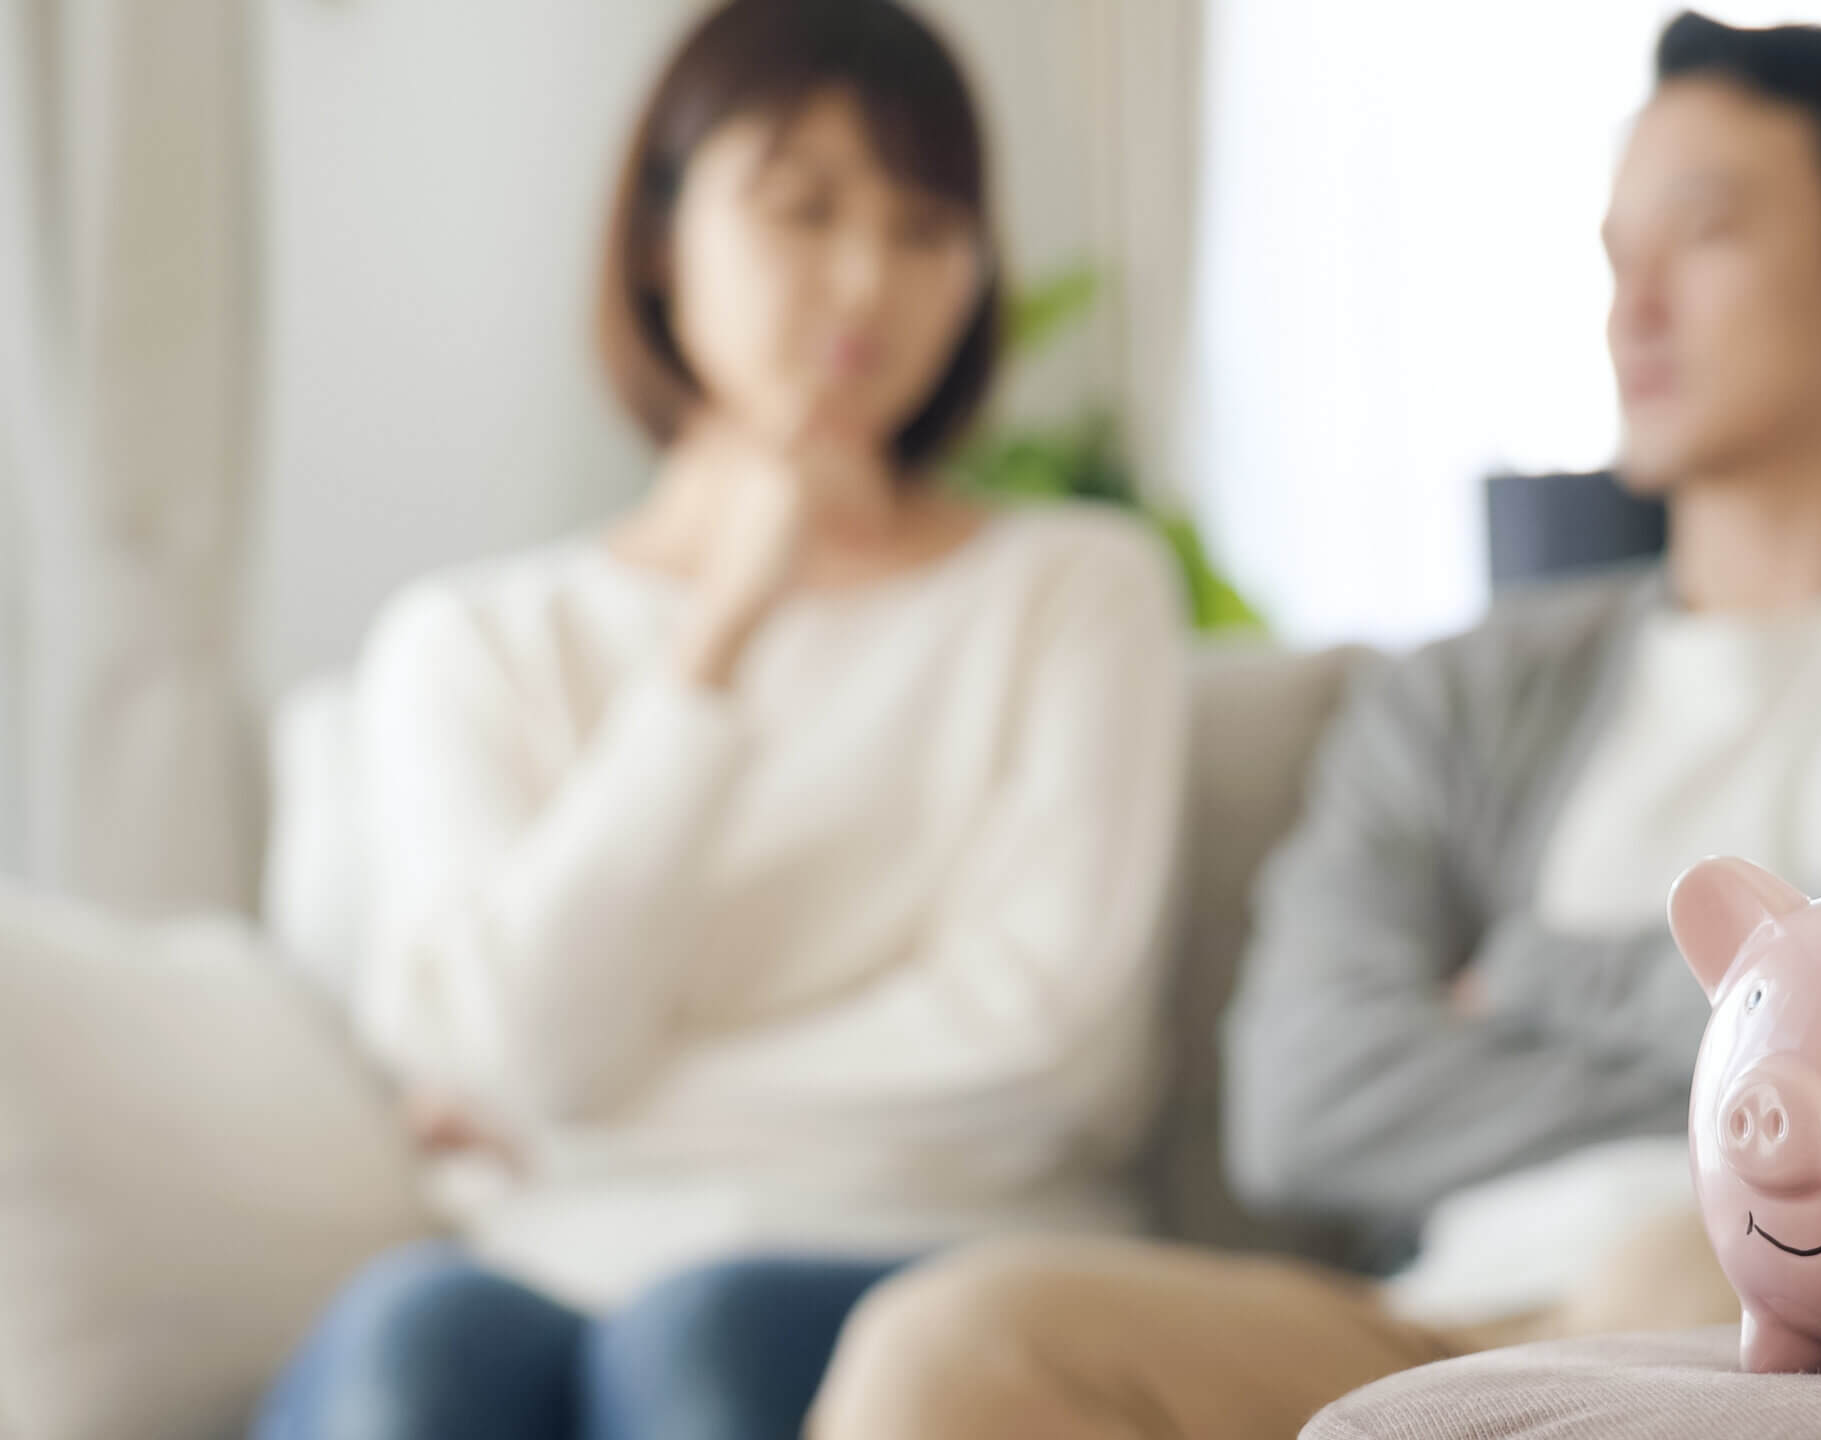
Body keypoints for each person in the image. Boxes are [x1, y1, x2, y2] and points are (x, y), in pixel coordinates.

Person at [803, 13, 1821, 1439]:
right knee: (954, 1342)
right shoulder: (1461, 692)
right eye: (1616, 258)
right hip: (1420, 1327)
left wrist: (1515, 979)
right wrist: (1799, 1029)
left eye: (1702, 237)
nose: (1632, 309)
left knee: (1684, 1268)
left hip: (1797, 1313)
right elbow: (1304, 1101)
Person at [254, 2, 1188, 1437]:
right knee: (412, 1342)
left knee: (701, 1340)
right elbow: (518, 1036)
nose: (867, 278)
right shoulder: (476, 642)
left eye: (928, 227)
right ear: (658, 238)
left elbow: (1047, 1054)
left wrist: (571, 1118)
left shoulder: (1075, 589)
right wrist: (717, 638)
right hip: (545, 1262)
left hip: (932, 1259)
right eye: (804, 210)